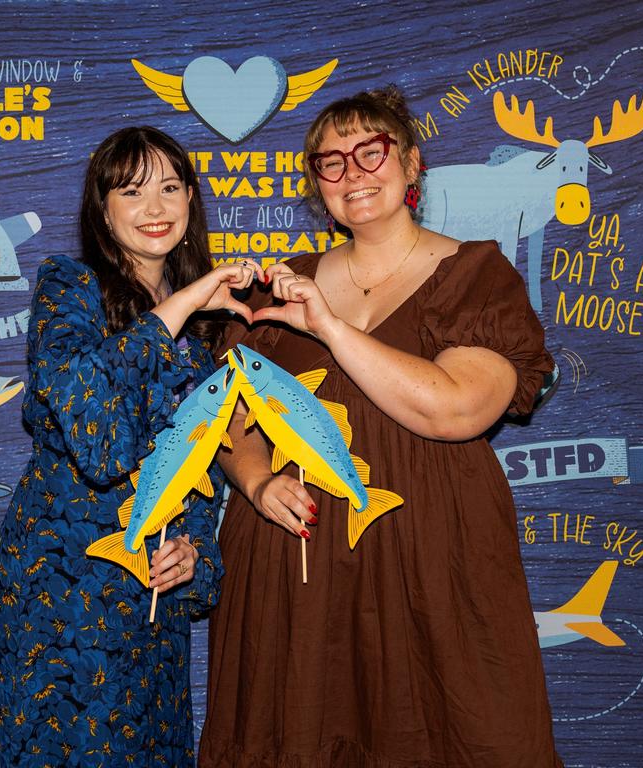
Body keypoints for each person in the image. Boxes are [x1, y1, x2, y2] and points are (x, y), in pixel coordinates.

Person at [199, 88, 563, 767]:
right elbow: (230, 416)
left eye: (372, 151)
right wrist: (254, 481)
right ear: (315, 186)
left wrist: (330, 329)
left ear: (413, 163)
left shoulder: (475, 276)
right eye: (329, 162)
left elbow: (455, 408)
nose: (352, 173)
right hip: (294, 567)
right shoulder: (279, 287)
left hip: (432, 557)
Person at [0, 126, 263, 768]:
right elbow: (97, 440)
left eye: (170, 188)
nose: (155, 208)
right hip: (61, 597)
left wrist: (195, 557)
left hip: (147, 612)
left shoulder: (207, 337)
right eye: (132, 192)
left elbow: (198, 469)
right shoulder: (67, 289)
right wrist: (187, 300)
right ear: (102, 210)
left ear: (191, 200)